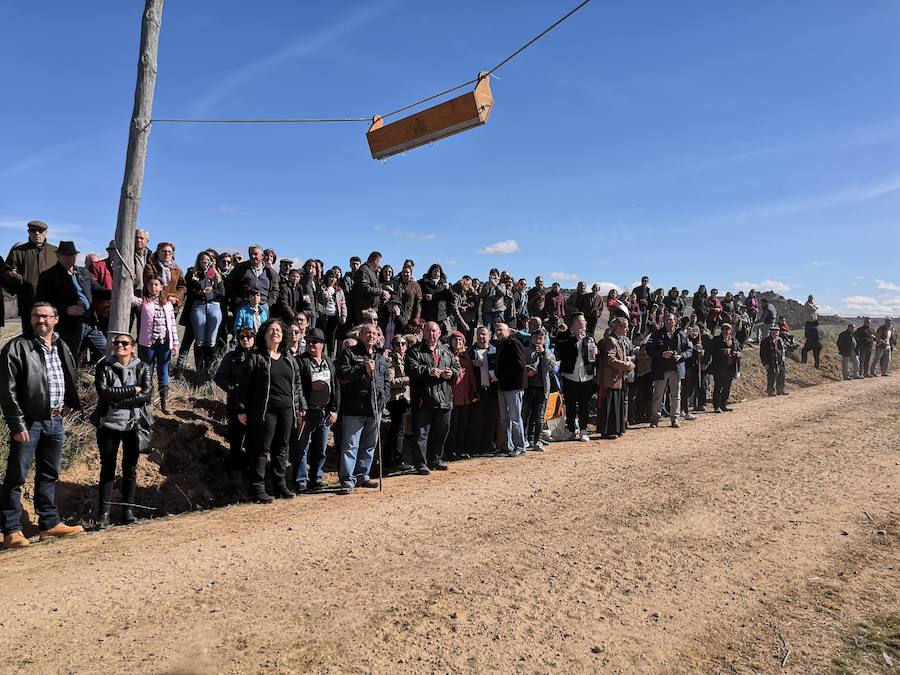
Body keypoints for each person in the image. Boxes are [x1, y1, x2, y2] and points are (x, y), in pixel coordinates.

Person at [1, 302, 84, 548]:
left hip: (55, 421)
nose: (41, 320)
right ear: (30, 318)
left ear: (56, 319)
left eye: (46, 316)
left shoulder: (61, 345)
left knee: (49, 474)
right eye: (37, 316)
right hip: (29, 423)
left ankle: (49, 524)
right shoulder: (17, 347)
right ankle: (11, 531)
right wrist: (17, 424)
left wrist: (71, 402)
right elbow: (7, 390)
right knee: (16, 477)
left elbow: (69, 375)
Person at [237, 319, 306, 502]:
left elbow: (297, 385)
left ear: (283, 335)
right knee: (262, 448)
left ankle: (280, 485)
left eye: (278, 330)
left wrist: (301, 407)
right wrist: (241, 408)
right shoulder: (256, 356)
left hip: (287, 410)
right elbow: (244, 385)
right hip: (265, 410)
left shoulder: (288, 357)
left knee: (282, 448)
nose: (275, 332)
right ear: (264, 334)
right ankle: (258, 488)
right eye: (271, 330)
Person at [93, 333, 153, 528]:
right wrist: (133, 389)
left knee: (130, 469)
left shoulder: (143, 367)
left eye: (125, 343)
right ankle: (104, 514)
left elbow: (146, 395)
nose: (120, 345)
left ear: (133, 347)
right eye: (116, 342)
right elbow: (104, 393)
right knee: (107, 468)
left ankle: (128, 511)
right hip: (108, 424)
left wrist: (118, 402)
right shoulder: (104, 366)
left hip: (133, 425)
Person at [336, 323, 389, 493]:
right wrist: (362, 368)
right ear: (360, 335)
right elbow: (342, 374)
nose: (371, 336)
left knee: (369, 445)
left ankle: (363, 475)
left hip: (375, 408)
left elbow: (386, 380)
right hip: (354, 408)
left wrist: (384, 398)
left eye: (374, 333)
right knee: (350, 446)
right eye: (368, 333)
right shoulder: (349, 353)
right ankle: (347, 480)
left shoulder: (380, 356)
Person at [406, 321, 459, 473]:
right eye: (428, 331)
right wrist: (429, 371)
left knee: (441, 431)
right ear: (423, 333)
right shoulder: (415, 350)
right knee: (421, 434)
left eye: (434, 331)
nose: (432, 334)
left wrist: (452, 373)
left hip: (444, 398)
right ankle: (420, 463)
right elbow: (411, 368)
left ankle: (435, 460)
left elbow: (456, 367)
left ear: (439, 333)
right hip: (423, 399)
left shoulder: (446, 351)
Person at [35, 240, 100, 359]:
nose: (68, 258)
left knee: (107, 351)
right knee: (70, 359)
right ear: (58, 256)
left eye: (71, 255)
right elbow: (42, 304)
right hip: (68, 325)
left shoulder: (83, 272)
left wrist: (118, 293)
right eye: (64, 255)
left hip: (90, 322)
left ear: (75, 256)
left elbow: (98, 290)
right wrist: (66, 309)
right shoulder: (48, 276)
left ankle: (94, 370)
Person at [294, 328, 339, 492]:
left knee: (320, 448)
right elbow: (295, 386)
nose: (310, 344)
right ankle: (300, 482)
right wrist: (310, 386)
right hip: (306, 412)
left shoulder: (329, 361)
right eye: (308, 341)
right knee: (301, 448)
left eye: (314, 341)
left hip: (324, 412)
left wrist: (334, 409)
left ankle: (316, 479)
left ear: (323, 344)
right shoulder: (300, 361)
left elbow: (335, 387)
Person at [3, 220, 59, 335]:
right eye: (33, 231)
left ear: (46, 233)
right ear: (29, 232)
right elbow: (7, 274)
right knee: (29, 338)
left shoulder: (55, 252)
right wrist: (21, 279)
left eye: (40, 231)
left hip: (52, 305)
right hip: (28, 304)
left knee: (52, 337)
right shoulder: (18, 252)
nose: (37, 233)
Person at [213, 326, 256, 471]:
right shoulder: (231, 356)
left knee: (253, 437)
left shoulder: (260, 356)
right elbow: (219, 377)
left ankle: (251, 466)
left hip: (255, 402)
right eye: (242, 337)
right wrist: (234, 388)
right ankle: (235, 468)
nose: (245, 340)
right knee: (236, 436)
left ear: (254, 338)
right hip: (236, 402)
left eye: (248, 337)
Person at [137, 276, 180, 414]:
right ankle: (147, 401)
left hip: (164, 342)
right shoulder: (143, 302)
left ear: (161, 287)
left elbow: (172, 324)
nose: (153, 287)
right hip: (147, 343)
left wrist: (175, 343)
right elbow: (131, 299)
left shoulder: (167, 303)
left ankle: (164, 402)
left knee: (164, 370)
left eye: (156, 284)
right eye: (150, 284)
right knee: (147, 371)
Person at [646, 313, 694, 428]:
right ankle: (655, 419)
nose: (668, 322)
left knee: (676, 395)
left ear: (675, 322)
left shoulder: (681, 334)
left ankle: (675, 418)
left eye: (671, 320)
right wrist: (662, 354)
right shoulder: (656, 334)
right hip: (660, 369)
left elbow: (689, 350)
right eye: (666, 320)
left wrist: (681, 356)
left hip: (676, 369)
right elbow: (649, 349)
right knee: (658, 395)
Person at [555, 312, 596, 441]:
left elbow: (593, 357)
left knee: (584, 404)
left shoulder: (589, 337)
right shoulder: (563, 336)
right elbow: (560, 352)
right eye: (583, 320)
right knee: (571, 405)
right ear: (575, 323)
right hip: (569, 376)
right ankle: (571, 430)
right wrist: (575, 339)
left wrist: (596, 352)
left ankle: (583, 430)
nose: (586, 323)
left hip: (586, 376)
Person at [186, 251, 225, 382]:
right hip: (199, 306)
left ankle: (209, 369)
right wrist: (200, 291)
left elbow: (222, 292)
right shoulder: (194, 273)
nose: (205, 261)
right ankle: (199, 369)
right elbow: (189, 290)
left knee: (211, 340)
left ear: (211, 261)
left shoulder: (215, 274)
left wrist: (212, 292)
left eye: (208, 259)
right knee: (200, 340)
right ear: (198, 261)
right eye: (203, 259)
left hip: (214, 306)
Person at [596, 318, 634, 439]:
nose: (627, 329)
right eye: (625, 326)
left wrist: (626, 359)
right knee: (609, 405)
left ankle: (616, 429)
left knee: (616, 404)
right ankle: (608, 431)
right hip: (610, 379)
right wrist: (625, 365)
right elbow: (609, 358)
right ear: (618, 327)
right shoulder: (610, 340)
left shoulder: (618, 340)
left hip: (616, 378)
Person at [494, 322, 527, 457]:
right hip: (502, 386)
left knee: (515, 418)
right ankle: (507, 446)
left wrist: (502, 375)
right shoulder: (500, 345)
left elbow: (520, 364)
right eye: (496, 330)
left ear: (508, 331)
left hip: (514, 387)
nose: (498, 332)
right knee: (504, 418)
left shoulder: (514, 344)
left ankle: (520, 446)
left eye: (500, 330)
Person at [445, 331, 479, 461]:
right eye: (455, 340)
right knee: (452, 426)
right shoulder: (447, 355)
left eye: (460, 340)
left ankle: (460, 449)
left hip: (466, 396)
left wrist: (474, 391)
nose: (458, 342)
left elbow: (470, 375)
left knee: (463, 425)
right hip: (452, 396)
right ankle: (450, 451)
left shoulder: (466, 357)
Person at [522, 327, 556, 450]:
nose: (537, 340)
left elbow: (551, 366)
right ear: (531, 338)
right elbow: (520, 366)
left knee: (539, 416)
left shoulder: (549, 353)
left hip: (542, 388)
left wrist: (544, 353)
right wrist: (527, 369)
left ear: (544, 339)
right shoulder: (526, 351)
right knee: (525, 414)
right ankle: (524, 439)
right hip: (528, 387)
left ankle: (538, 440)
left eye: (540, 338)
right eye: (535, 338)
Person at [385, 334, 413, 472]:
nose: (400, 346)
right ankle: (397, 460)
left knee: (395, 429)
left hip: (405, 397)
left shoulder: (407, 358)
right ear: (393, 346)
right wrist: (408, 380)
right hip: (396, 399)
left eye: (403, 344)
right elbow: (390, 381)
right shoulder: (391, 359)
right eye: (397, 344)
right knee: (399, 429)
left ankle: (389, 460)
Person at [468, 326, 498, 455]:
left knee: (491, 418)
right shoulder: (471, 351)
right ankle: (474, 447)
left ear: (489, 336)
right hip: (477, 391)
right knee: (476, 419)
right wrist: (472, 363)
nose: (481, 337)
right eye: (479, 334)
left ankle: (488, 445)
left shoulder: (495, 350)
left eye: (484, 334)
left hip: (492, 390)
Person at [225, 244, 279, 315]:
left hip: (263, 306)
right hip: (244, 305)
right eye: (250, 254)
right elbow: (228, 283)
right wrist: (236, 298)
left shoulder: (270, 272)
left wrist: (269, 303)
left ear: (262, 256)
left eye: (255, 254)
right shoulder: (240, 268)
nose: (253, 256)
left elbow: (275, 289)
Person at [142, 241, 187, 313]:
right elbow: (149, 286)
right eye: (164, 251)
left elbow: (182, 287)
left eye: (170, 252)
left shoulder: (177, 269)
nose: (167, 254)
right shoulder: (150, 267)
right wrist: (167, 297)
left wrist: (176, 298)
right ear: (158, 253)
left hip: (172, 305)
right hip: (154, 304)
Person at [708, 323, 742, 412]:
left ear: (731, 331)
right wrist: (722, 352)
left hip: (730, 367)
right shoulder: (716, 340)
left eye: (727, 329)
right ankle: (716, 406)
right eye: (723, 329)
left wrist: (738, 354)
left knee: (727, 387)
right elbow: (711, 351)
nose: (725, 331)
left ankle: (723, 405)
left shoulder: (734, 340)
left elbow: (739, 350)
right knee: (718, 387)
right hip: (719, 367)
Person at [349, 251, 384, 325]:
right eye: (379, 262)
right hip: (364, 311)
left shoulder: (370, 271)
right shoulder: (364, 270)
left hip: (370, 309)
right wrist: (382, 292)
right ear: (375, 261)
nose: (379, 265)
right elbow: (365, 288)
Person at [320, 269, 347, 356]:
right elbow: (318, 301)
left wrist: (343, 315)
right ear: (327, 277)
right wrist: (323, 297)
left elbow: (343, 303)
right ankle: (320, 354)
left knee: (332, 337)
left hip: (334, 316)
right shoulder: (322, 288)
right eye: (331, 277)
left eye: (335, 278)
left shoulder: (339, 290)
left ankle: (330, 356)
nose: (333, 279)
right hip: (323, 316)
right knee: (322, 336)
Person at [759, 325, 787, 396]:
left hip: (780, 361)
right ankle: (771, 391)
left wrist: (782, 359)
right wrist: (765, 363)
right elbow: (762, 354)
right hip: (771, 362)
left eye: (777, 332)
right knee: (771, 377)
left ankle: (780, 390)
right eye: (774, 332)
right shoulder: (765, 341)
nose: (775, 334)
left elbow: (782, 350)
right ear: (770, 333)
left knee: (781, 376)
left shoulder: (780, 340)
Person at [396, 265, 422, 335]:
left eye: (407, 272)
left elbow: (418, 303)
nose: (405, 274)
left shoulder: (415, 285)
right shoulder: (397, 283)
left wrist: (416, 318)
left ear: (411, 274)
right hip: (397, 316)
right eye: (403, 272)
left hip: (409, 317)